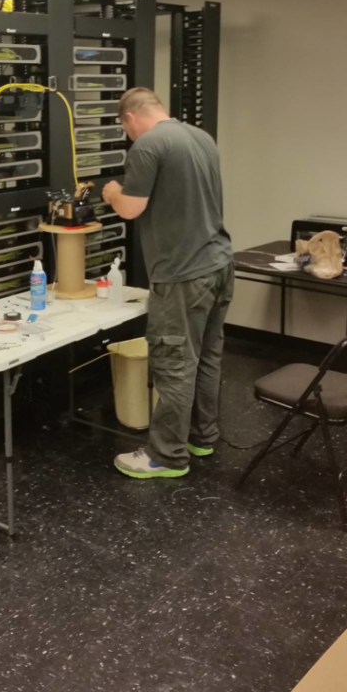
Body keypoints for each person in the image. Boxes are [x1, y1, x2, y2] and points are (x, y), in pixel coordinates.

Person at [102, 87, 233, 479]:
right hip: (219, 264)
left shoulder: (147, 145)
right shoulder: (200, 137)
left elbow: (131, 207)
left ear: (129, 119)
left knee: (174, 364)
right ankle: (202, 436)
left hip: (182, 275)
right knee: (206, 356)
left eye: (126, 129)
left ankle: (166, 456)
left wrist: (112, 193)